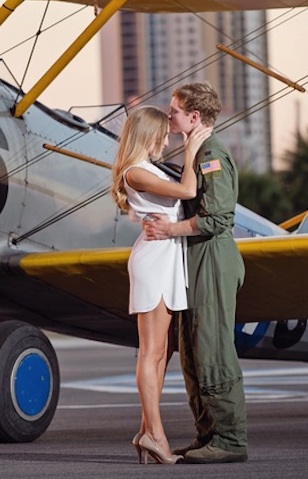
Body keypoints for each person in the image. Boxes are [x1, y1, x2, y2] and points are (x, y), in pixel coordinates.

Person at [142, 81, 248, 464]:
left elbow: (218, 217)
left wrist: (169, 230)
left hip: (212, 259)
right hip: (196, 261)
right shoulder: (196, 151)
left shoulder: (211, 155)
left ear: (195, 116)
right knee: (191, 351)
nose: (169, 116)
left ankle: (231, 440)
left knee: (212, 350)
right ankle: (208, 435)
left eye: (174, 111)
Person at [111, 105, 211, 465]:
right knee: (150, 352)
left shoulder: (147, 169)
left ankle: (145, 430)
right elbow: (187, 189)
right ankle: (155, 435)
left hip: (164, 257)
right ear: (147, 133)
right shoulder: (136, 172)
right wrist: (192, 147)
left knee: (161, 352)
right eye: (163, 133)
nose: (166, 138)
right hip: (153, 260)